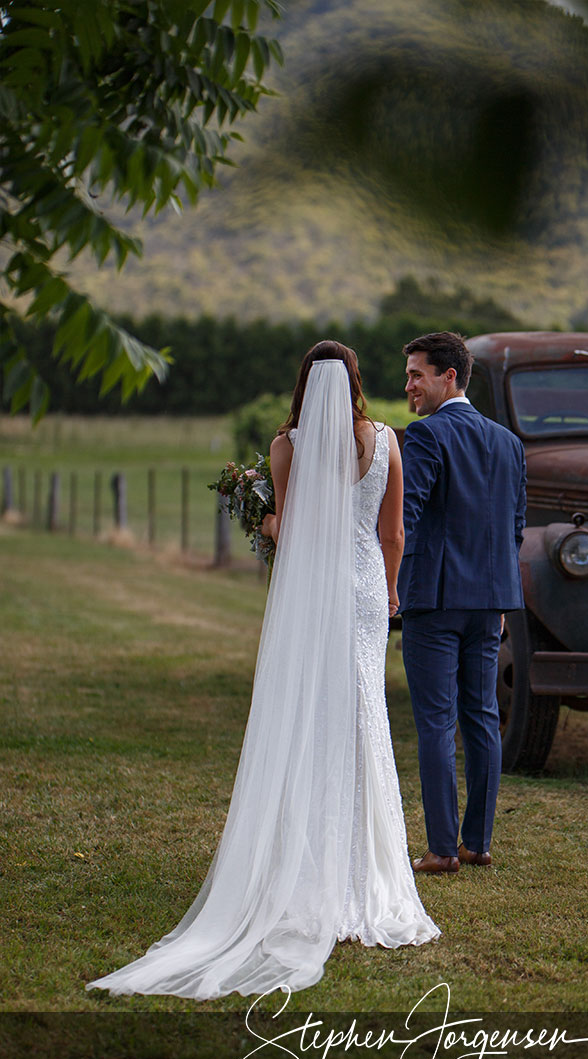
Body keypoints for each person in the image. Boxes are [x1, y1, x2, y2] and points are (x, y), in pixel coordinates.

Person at [87, 342, 439, 1000]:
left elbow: (296, 529)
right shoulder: (389, 441)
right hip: (365, 589)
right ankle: (367, 876)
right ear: (356, 383)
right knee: (363, 713)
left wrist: (262, 515)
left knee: (312, 713)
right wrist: (391, 590)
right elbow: (392, 535)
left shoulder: (287, 447)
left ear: (304, 385)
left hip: (315, 591)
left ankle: (303, 869)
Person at [399, 331, 527, 875]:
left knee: (436, 722)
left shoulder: (426, 435)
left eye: (417, 374)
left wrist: (384, 580)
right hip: (490, 603)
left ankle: (442, 849)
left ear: (449, 376)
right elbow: (515, 528)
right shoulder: (508, 442)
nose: (409, 385)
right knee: (482, 717)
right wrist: (497, 593)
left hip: (434, 601)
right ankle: (477, 843)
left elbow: (404, 518)